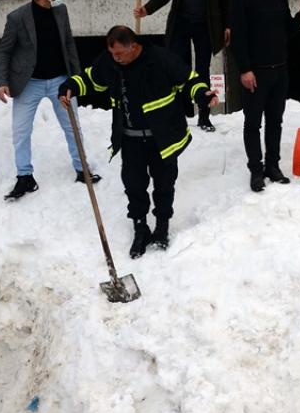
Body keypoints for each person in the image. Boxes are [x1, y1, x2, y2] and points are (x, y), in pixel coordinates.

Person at [59, 26, 217, 259]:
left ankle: (162, 228)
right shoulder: (111, 62)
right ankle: (140, 228)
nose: (116, 58)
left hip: (162, 139)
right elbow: (91, 78)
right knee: (134, 186)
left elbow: (189, 80)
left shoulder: (160, 59)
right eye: (112, 53)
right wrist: (70, 86)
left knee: (164, 185)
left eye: (120, 53)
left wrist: (202, 95)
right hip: (131, 138)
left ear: (133, 46)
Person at [0, 0, 99, 201]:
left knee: (72, 127)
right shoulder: (17, 17)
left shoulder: (60, 11)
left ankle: (82, 169)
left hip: (61, 81)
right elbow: (4, 50)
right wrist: (2, 81)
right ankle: (25, 176)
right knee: (21, 131)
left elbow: (69, 43)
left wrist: (77, 78)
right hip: (28, 83)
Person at [229, 0, 300, 192]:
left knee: (275, 122)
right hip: (255, 73)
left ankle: (273, 166)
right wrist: (245, 70)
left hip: (279, 71)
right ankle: (256, 171)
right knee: (253, 124)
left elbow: (288, 30)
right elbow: (238, 39)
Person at [135, 0, 231, 132]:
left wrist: (228, 25)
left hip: (205, 25)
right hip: (180, 22)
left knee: (202, 70)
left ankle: (204, 116)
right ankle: (176, 115)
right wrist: (147, 9)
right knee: (175, 68)